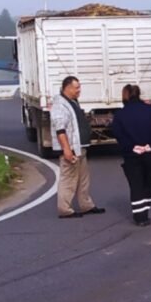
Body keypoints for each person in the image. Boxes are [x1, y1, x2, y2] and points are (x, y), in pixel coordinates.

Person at [50, 76, 105, 219]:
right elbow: (60, 129)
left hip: (80, 147)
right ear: (67, 88)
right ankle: (65, 209)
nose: (79, 90)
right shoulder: (59, 105)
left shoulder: (72, 101)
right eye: (76, 88)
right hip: (71, 148)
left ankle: (86, 205)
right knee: (69, 179)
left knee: (83, 179)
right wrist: (66, 149)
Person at [111, 84, 151, 226]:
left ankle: (140, 216)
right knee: (148, 183)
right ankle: (145, 211)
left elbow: (118, 134)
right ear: (139, 94)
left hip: (131, 154)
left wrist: (132, 147)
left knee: (136, 185)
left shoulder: (120, 115)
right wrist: (150, 145)